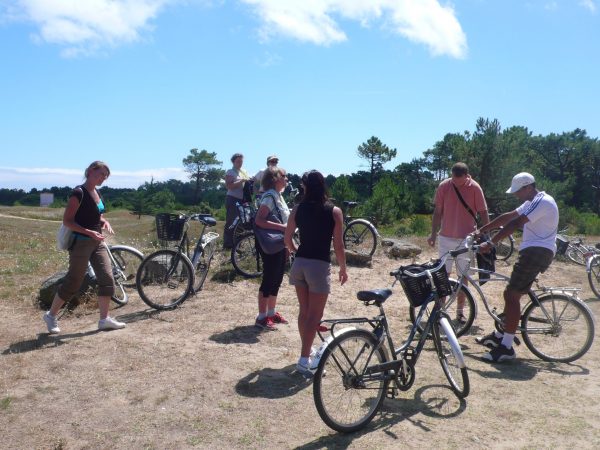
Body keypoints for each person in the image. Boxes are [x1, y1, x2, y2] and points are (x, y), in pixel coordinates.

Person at [476, 172, 558, 363]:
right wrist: (482, 230)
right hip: (533, 251)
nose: (515, 195)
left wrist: (491, 243)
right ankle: (500, 336)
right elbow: (509, 216)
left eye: (517, 191)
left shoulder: (542, 201)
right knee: (512, 293)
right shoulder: (532, 201)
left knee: (511, 294)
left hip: (537, 252)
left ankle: (506, 347)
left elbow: (516, 223)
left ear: (528, 187)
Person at [43, 161, 126, 334]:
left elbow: (97, 215)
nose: (102, 178)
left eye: (105, 176)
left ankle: (104, 320)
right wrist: (89, 232)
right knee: (74, 281)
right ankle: (51, 316)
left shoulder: (97, 192)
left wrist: (105, 221)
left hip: (97, 242)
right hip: (80, 242)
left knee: (107, 279)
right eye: (100, 174)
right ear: (89, 171)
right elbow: (68, 221)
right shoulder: (78, 193)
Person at [285, 170, 348, 377]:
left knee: (304, 312)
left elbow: (287, 240)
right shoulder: (334, 211)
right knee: (315, 315)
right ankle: (304, 360)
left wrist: (296, 252)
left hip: (300, 264)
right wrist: (343, 268)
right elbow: (338, 245)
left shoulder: (297, 208)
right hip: (319, 266)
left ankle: (307, 351)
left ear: (305, 187)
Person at [427, 162, 489, 323]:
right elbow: (438, 211)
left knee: (463, 277)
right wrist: (433, 233)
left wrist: (485, 233)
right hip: (445, 237)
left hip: (466, 239)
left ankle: (460, 312)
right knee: (442, 275)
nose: (455, 182)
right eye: (453, 178)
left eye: (458, 180)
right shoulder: (444, 186)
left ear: (466, 176)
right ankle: (440, 310)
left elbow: (483, 211)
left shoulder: (475, 188)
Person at [254, 166, 290, 330]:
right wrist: (282, 228)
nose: (287, 179)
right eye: (284, 176)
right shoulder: (269, 197)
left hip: (280, 243)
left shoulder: (278, 196)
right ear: (275, 178)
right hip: (271, 244)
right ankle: (261, 317)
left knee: (277, 279)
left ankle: (271, 313)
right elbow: (259, 220)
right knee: (269, 278)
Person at [224, 153, 251, 249]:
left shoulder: (243, 171)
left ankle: (238, 243)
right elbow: (229, 186)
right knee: (231, 221)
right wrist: (241, 181)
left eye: (241, 161)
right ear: (233, 162)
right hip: (232, 199)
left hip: (243, 200)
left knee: (242, 222)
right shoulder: (230, 172)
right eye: (238, 161)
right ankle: (228, 244)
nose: (240, 163)